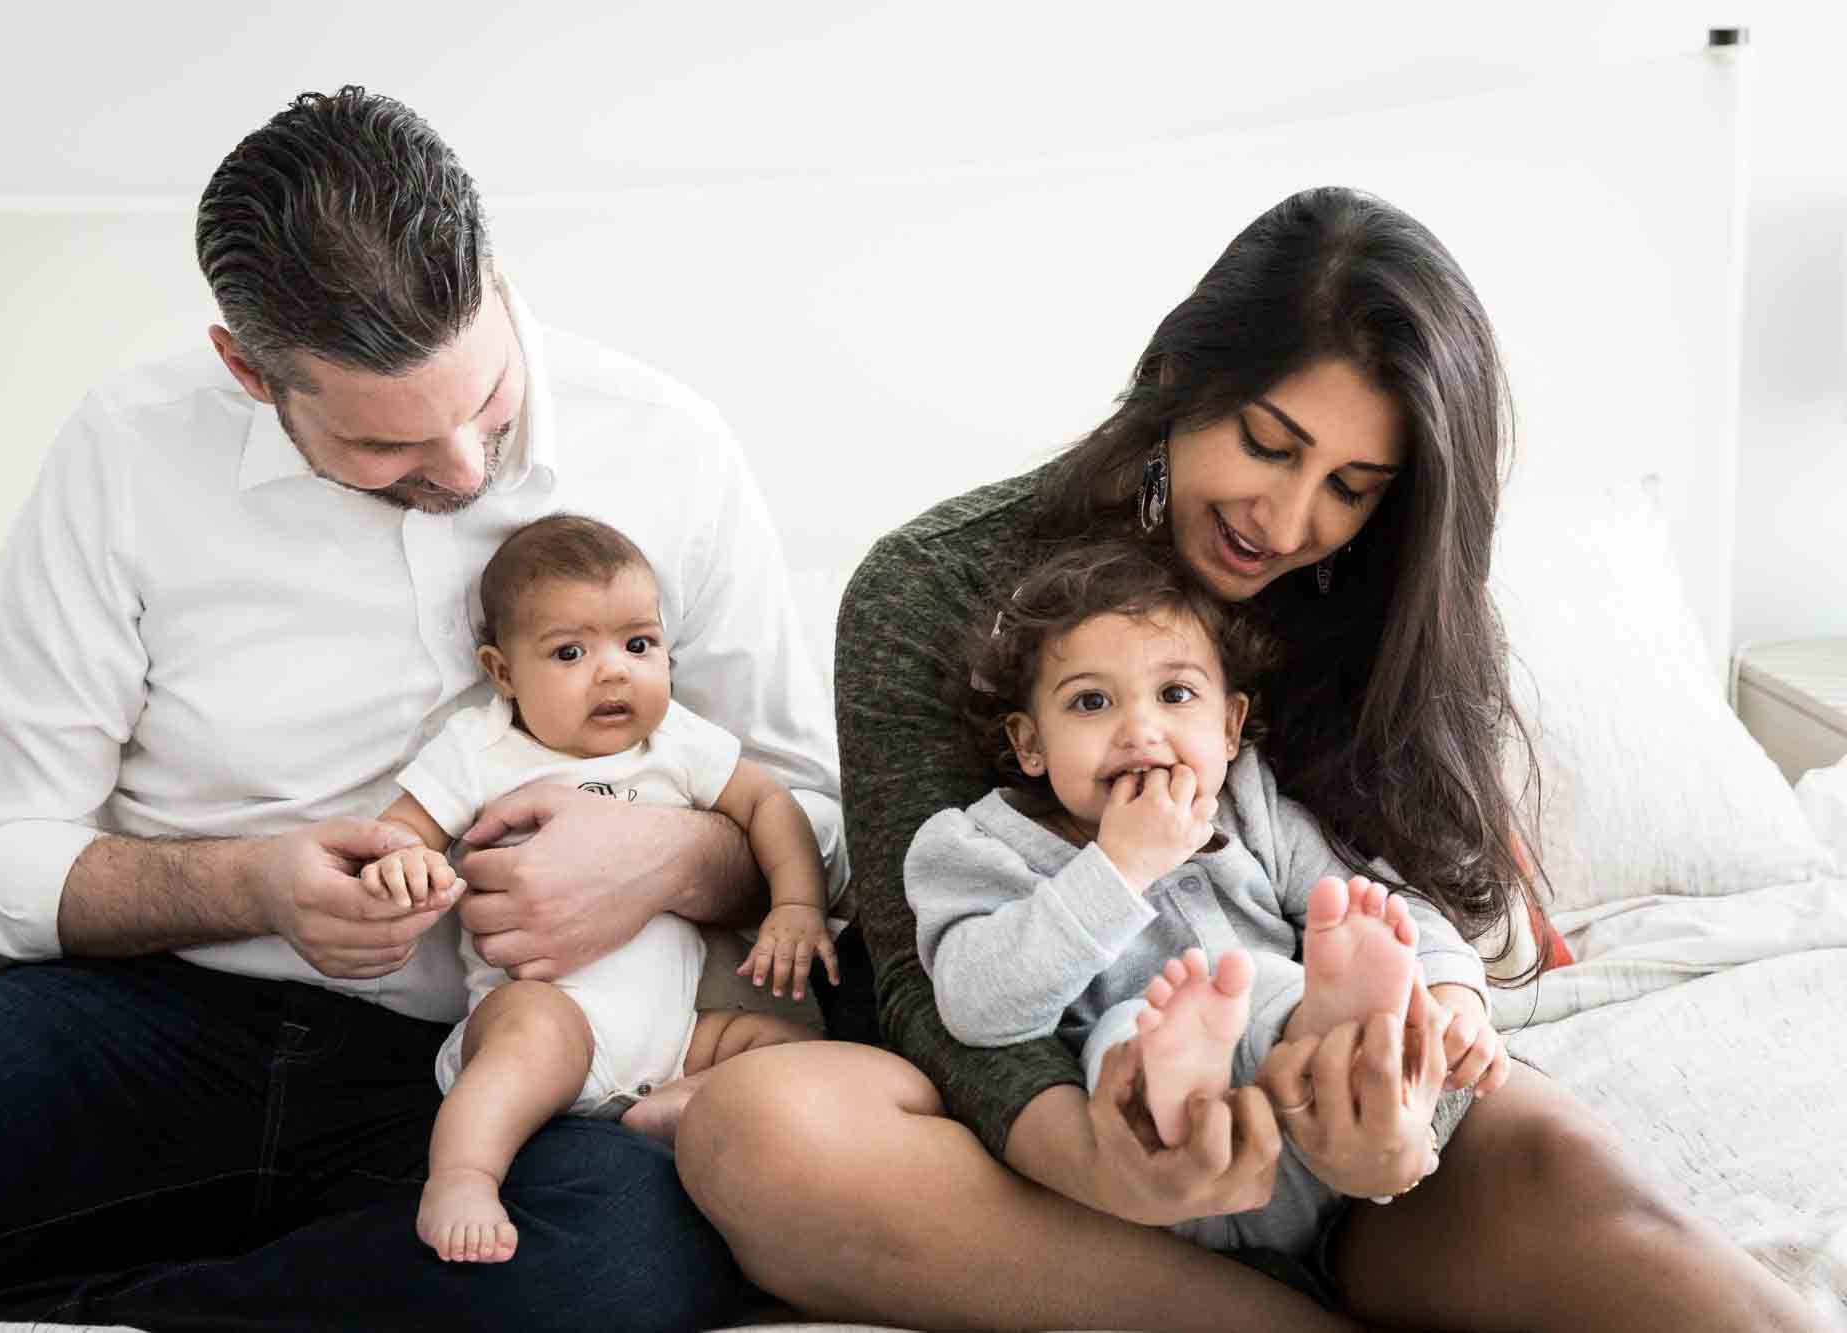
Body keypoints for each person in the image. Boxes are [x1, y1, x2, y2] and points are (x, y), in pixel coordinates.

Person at [676, 186, 1828, 1331]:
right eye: (1266, 446)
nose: (1281, 521)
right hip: (1069, 1152)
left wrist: (1409, 1082)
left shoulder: (1387, 598)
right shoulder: (931, 589)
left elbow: (1403, 905)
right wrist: (1102, 1159)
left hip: (1354, 1123)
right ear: (1179, 377)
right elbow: (935, 989)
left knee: (1617, 1216)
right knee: (756, 1129)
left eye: (1348, 488)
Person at [0, 87, 845, 1333]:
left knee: (620, 1258)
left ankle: (86, 1305)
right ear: (246, 369)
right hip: (155, 1024)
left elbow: (811, 812)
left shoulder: (671, 446)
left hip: (514, 1067)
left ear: (491, 274)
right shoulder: (129, 448)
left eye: (486, 407)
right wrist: (250, 886)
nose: (470, 472)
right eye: (389, 450)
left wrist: (664, 858)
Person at [907, 540, 1507, 1259]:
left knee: (1323, 945)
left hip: (1313, 1138)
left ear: (1228, 726)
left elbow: (1390, 907)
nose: (1140, 729)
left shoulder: (1248, 806)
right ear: (1031, 743)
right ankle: (1180, 1079)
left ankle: (1339, 1025)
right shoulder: (980, 846)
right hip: (1151, 1174)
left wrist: (1454, 997)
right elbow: (975, 1004)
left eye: (1175, 693)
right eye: (1091, 701)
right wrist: (1119, 864)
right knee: (1131, 1026)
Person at [355, 512, 836, 1263]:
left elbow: (772, 804)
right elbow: (399, 831)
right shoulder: (484, 749)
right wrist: (403, 864)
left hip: (681, 1034)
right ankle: (463, 1177)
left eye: (639, 644)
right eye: (571, 651)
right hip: (550, 1012)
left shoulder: (674, 741)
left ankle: (677, 1105)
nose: (615, 671)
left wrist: (797, 905)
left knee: (792, 1046)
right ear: (503, 672)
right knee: (529, 1038)